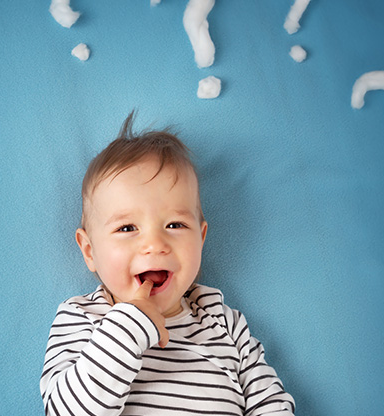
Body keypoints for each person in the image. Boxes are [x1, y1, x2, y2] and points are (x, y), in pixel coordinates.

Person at [40, 112, 295, 415]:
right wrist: (129, 325)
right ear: (89, 250)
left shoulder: (225, 324)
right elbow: (65, 410)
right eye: (127, 228)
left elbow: (271, 405)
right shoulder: (83, 318)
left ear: (201, 239)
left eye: (174, 225)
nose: (155, 245)